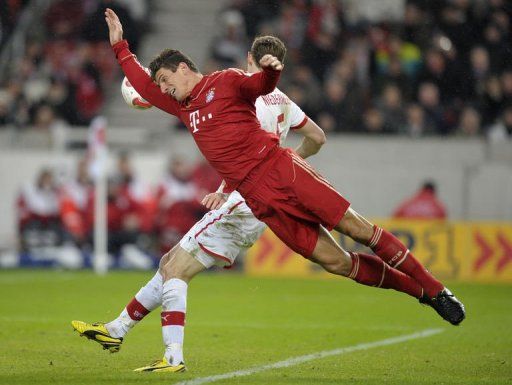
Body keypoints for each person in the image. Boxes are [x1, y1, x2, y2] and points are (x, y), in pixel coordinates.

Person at [72, 9, 465, 373]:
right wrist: (120, 46)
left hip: (282, 171)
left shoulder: (224, 81)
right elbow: (141, 81)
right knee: (338, 263)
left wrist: (271, 72)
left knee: (359, 229)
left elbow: (257, 85)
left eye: (165, 80)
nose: (162, 89)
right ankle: (420, 294)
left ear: (182, 69)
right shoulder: (183, 108)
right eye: (159, 85)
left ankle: (436, 289)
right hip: (259, 200)